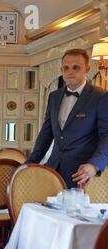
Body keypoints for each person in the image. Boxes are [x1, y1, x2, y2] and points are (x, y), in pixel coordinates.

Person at [26, 48, 108, 188]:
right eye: (66, 68)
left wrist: (94, 165)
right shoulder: (54, 97)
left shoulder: (101, 97)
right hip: (53, 170)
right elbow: (46, 134)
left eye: (76, 67)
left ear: (87, 69)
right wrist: (29, 163)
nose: (70, 71)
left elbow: (106, 135)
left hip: (82, 174)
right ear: (61, 70)